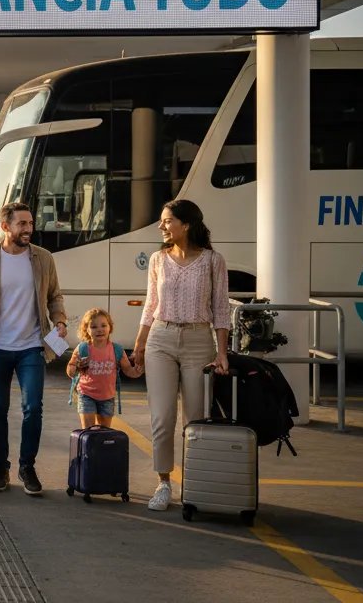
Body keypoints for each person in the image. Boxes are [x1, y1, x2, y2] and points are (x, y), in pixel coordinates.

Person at [0, 202, 68, 496]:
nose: (28, 229)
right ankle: (1, 467)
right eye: (22, 224)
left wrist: (59, 321)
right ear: (5, 227)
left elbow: (55, 296)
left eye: (30, 223)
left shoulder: (43, 259)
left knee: (33, 407)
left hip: (33, 346)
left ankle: (27, 467)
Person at [133, 199, 230, 512]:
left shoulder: (213, 261)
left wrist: (222, 353)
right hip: (161, 339)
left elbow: (220, 308)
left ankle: (195, 483)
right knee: (162, 418)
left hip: (199, 341)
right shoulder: (158, 259)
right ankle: (163, 483)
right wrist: (139, 345)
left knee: (196, 420)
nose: (162, 226)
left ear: (186, 225)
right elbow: (150, 305)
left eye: (167, 221)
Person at [66, 308, 142, 429]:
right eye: (94, 327)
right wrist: (76, 365)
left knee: (104, 433)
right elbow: (70, 371)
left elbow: (128, 370)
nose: (99, 329)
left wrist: (137, 371)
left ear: (110, 328)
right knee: (88, 432)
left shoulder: (117, 350)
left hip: (107, 397)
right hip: (86, 394)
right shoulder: (82, 349)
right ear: (86, 329)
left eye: (103, 325)